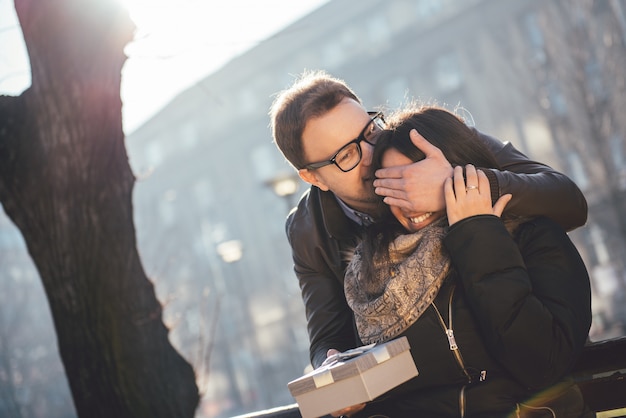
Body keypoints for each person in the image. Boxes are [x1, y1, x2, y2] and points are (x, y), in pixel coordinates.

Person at [269, 69, 588, 371]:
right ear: (313, 177)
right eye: (347, 156)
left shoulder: (427, 140)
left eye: (369, 131)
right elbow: (328, 337)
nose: (370, 154)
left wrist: (457, 184)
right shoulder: (308, 231)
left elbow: (570, 203)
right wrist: (330, 364)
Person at [341, 105, 592, 417]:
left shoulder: (532, 236)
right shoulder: (376, 273)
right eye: (395, 186)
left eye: (418, 180)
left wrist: (477, 232)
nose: (410, 200)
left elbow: (542, 363)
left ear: (458, 167)